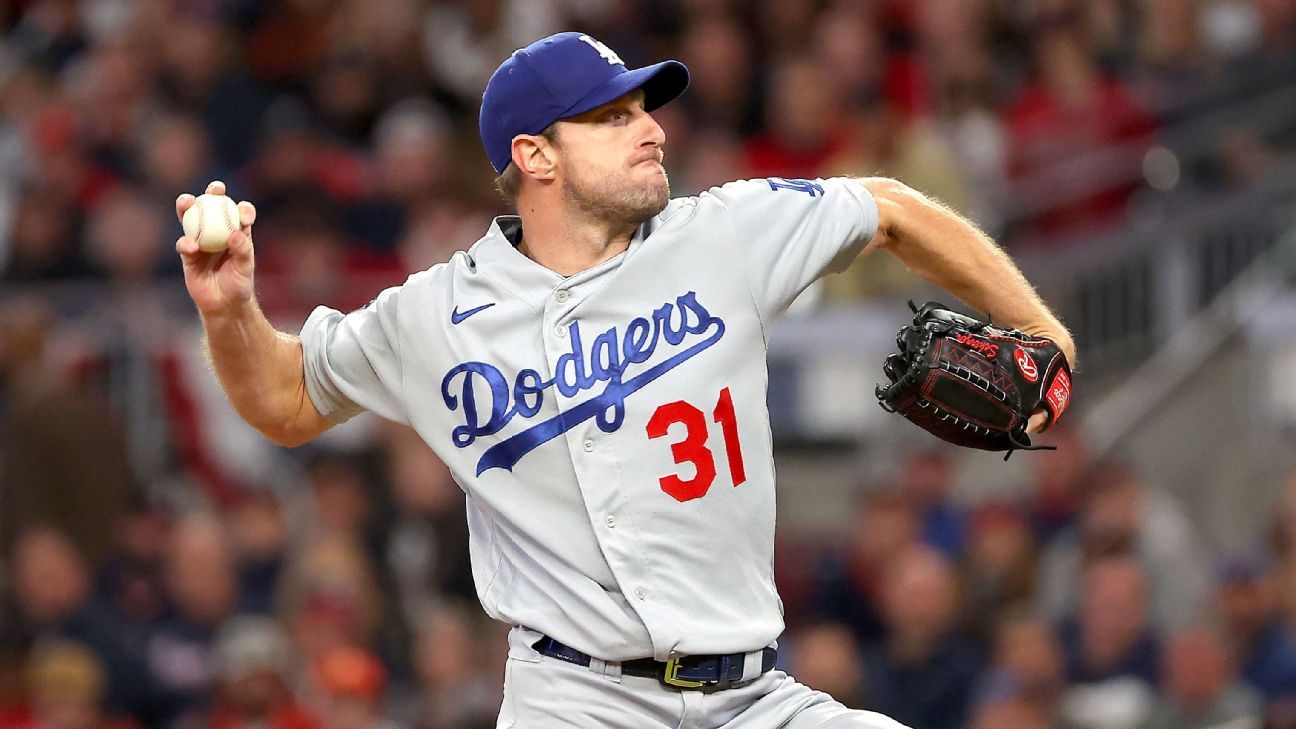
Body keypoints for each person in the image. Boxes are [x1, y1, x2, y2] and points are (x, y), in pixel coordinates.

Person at [174, 31, 1074, 729]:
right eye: (612, 117)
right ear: (536, 156)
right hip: (575, 700)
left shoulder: (723, 234)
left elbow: (893, 209)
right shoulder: (431, 316)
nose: (651, 128)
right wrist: (230, 314)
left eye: (643, 109)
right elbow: (286, 401)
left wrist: (1040, 332)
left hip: (751, 694)